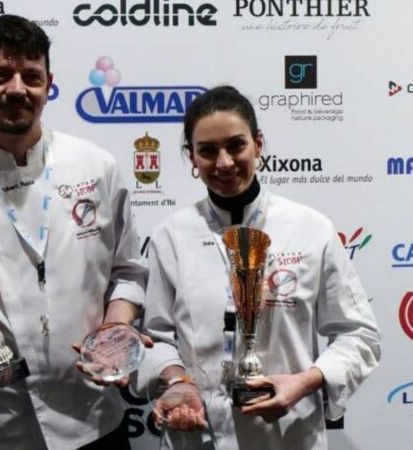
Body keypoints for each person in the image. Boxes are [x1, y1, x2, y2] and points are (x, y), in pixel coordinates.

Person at [0, 14, 147, 450]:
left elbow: (128, 272)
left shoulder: (96, 167)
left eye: (30, 77)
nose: (16, 89)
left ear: (48, 84)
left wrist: (114, 333)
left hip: (92, 418)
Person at [138, 85, 380, 449]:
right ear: (191, 157)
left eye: (236, 145)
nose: (223, 163)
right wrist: (176, 381)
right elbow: (156, 337)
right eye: (207, 150)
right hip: (200, 433)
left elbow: (359, 335)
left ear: (258, 144)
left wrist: (308, 380)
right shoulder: (171, 235)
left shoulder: (310, 229)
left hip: (287, 434)